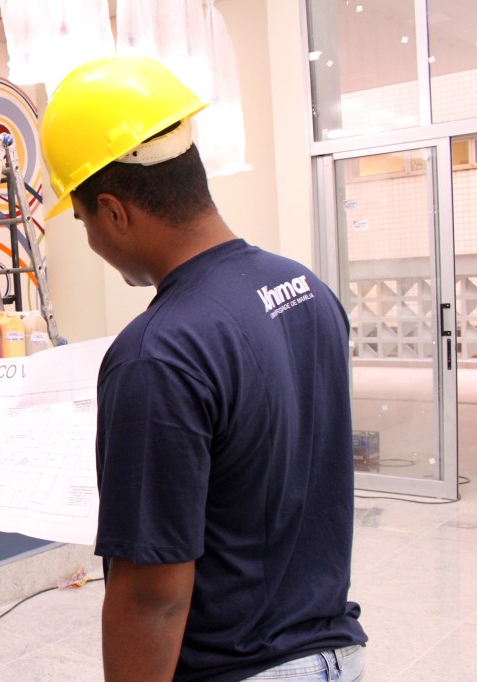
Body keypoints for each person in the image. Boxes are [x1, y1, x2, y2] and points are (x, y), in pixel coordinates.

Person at [39, 56, 367, 681]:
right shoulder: (307, 288)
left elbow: (153, 597)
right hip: (333, 655)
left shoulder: (156, 354)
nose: (93, 242)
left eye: (83, 223)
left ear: (114, 211)